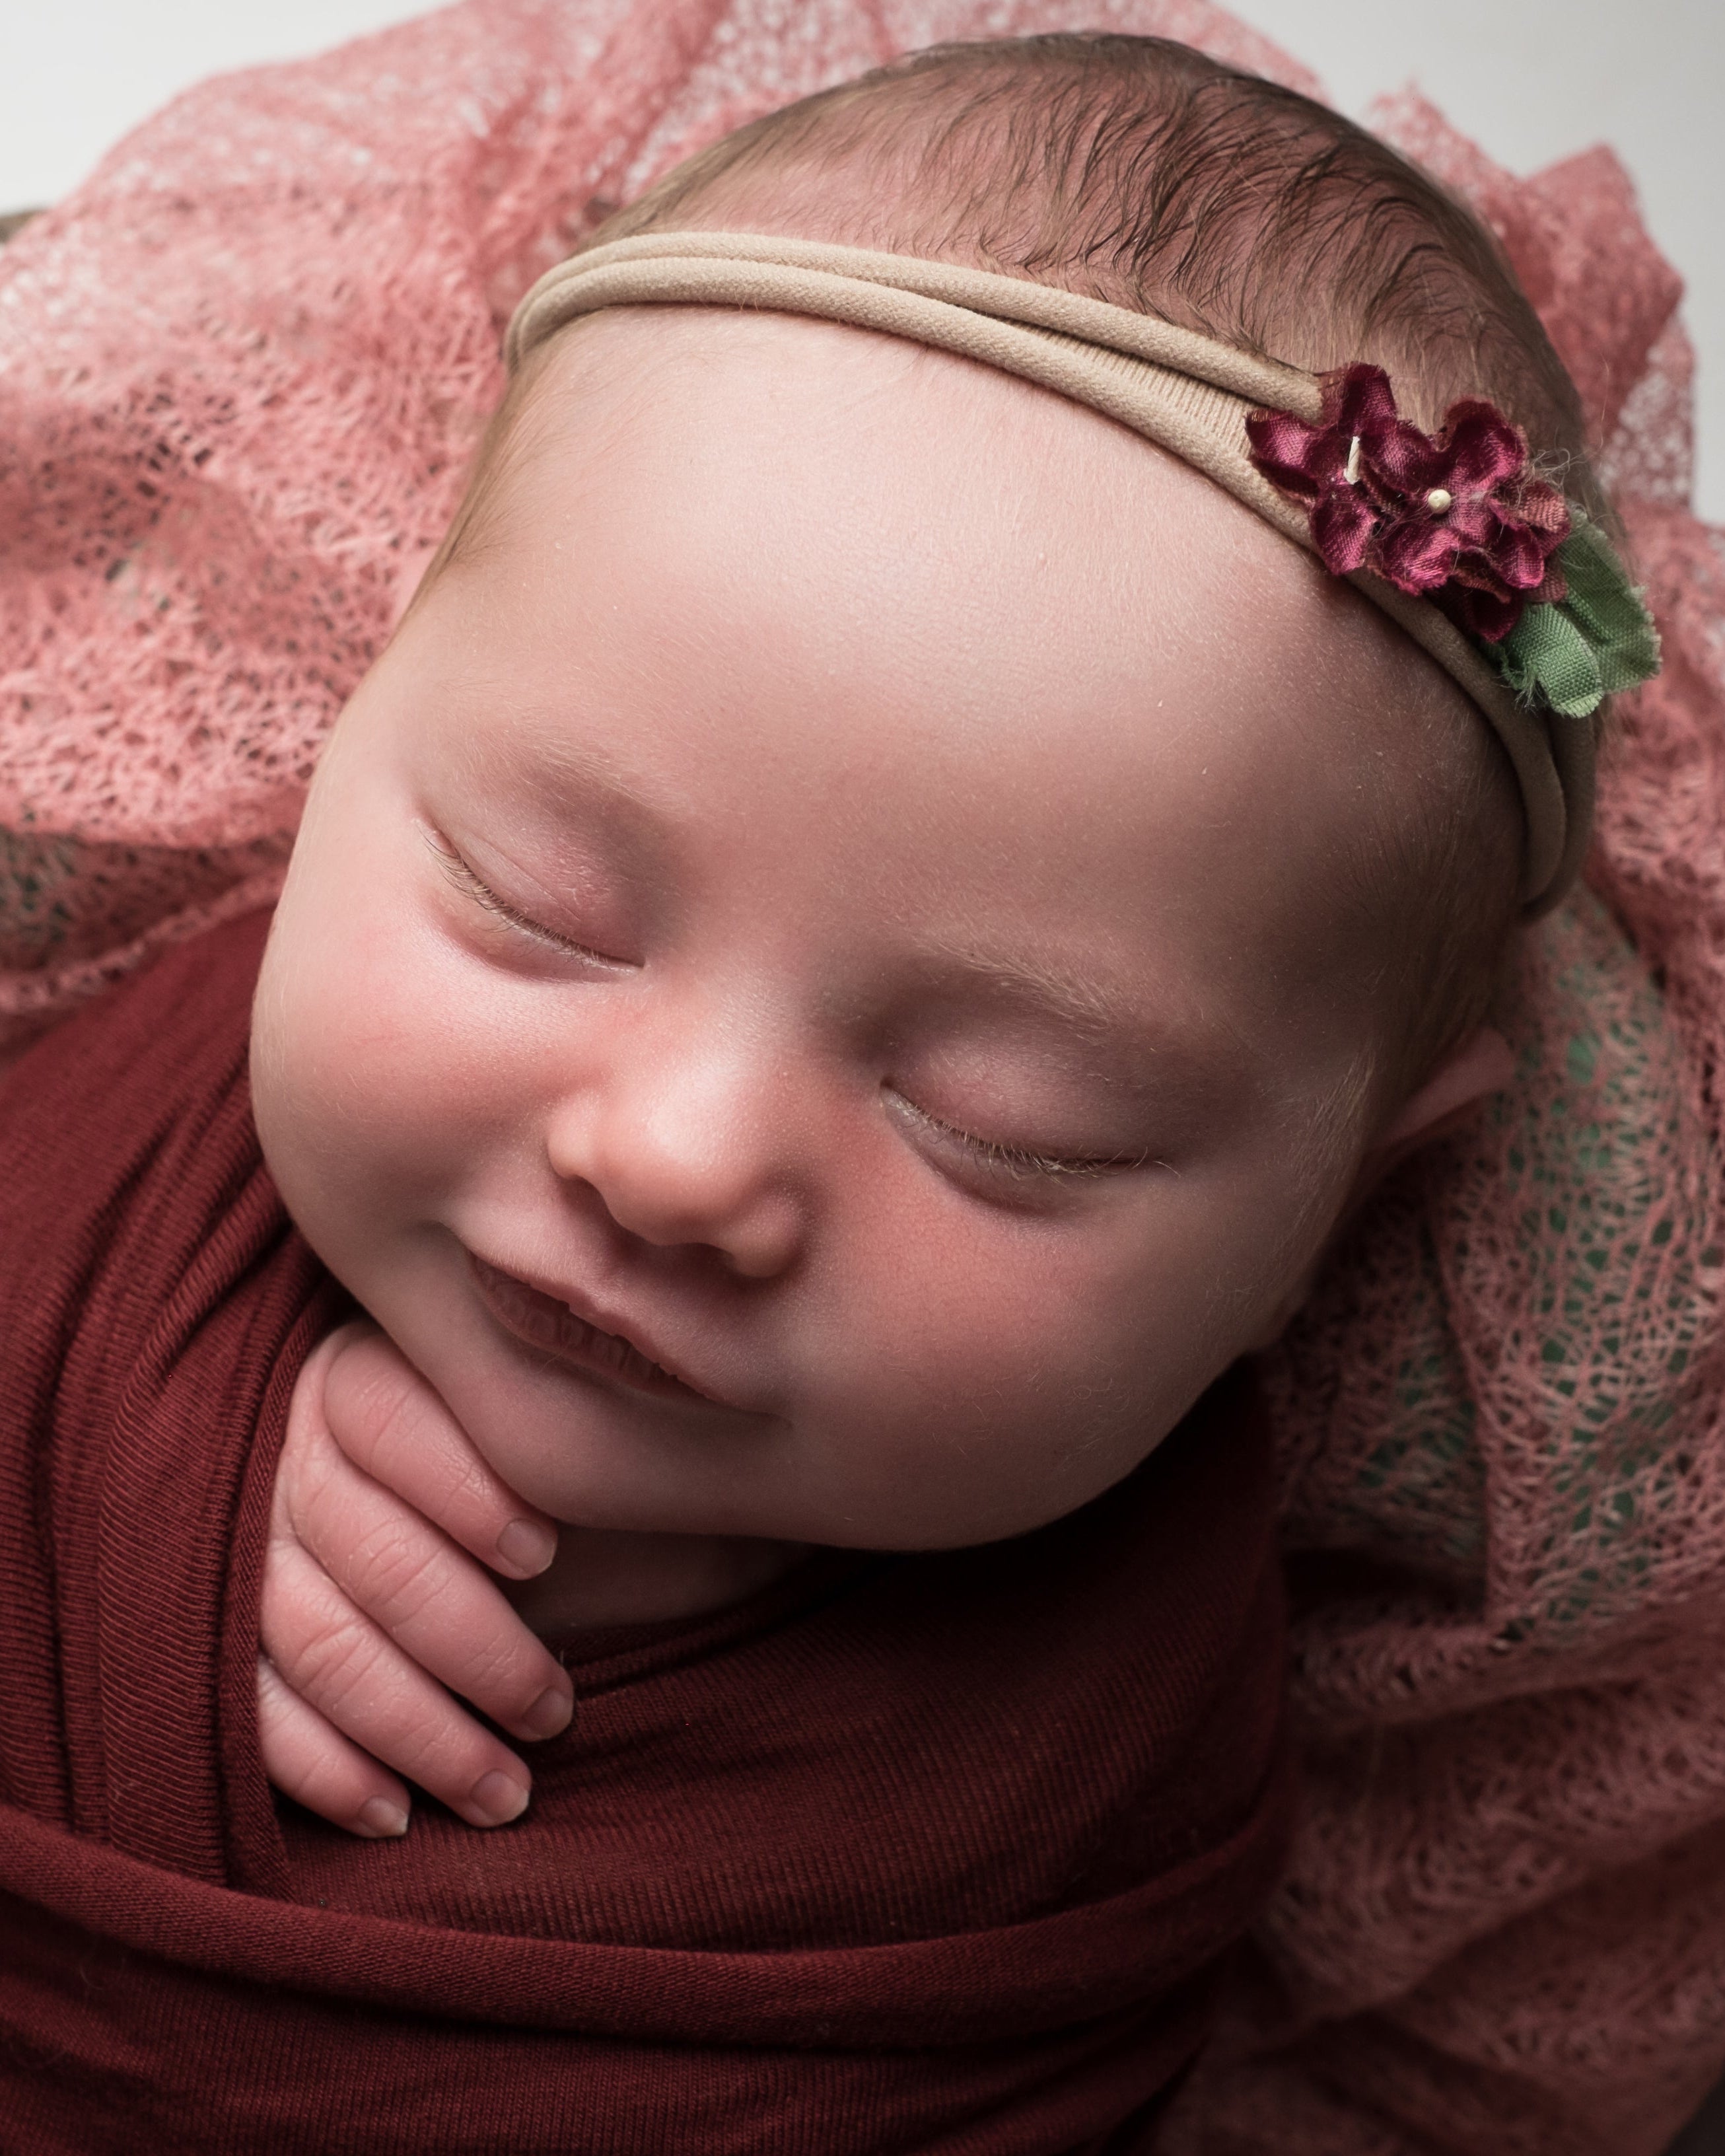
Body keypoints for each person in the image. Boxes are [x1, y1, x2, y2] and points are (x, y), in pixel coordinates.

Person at [0, 28, 1663, 2155]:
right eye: (545, 907)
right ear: (359, 707)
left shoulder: (1092, 1799)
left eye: (1008, 1122)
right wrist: (133, 1491)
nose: (677, 1161)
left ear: (1344, 1193)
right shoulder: (93, 1154)